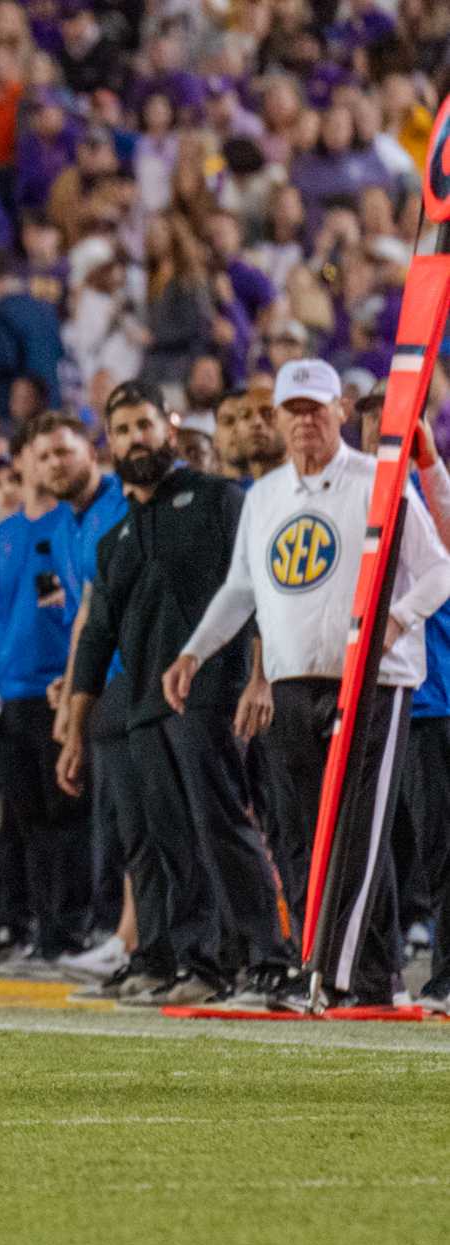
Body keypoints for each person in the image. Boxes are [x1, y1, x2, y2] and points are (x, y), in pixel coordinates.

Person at [166, 359, 450, 1008]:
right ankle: (366, 979)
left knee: (354, 831)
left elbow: (439, 572)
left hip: (373, 682)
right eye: (293, 411)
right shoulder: (265, 497)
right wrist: (193, 653)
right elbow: (242, 588)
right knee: (299, 834)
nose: (304, 423)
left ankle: (325, 974)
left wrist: (396, 621)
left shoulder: (379, 482)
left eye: (315, 409)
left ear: (341, 411)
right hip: (294, 678)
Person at [57, 382, 279, 1007]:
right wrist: (75, 731)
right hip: (144, 708)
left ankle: (266, 958)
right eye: (123, 430)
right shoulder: (114, 540)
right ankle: (198, 961)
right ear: (111, 444)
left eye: (144, 426)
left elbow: (256, 590)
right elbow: (96, 641)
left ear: (170, 429)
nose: (136, 440)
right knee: (170, 841)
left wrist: (258, 677)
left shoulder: (218, 499)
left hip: (214, 691)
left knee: (224, 829)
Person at [0, 413, 101, 968]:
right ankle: (26, 925)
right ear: (23, 461)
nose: (48, 465)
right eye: (39, 455)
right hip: (9, 694)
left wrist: (72, 685)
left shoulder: (69, 526)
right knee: (22, 819)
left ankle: (67, 929)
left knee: (65, 816)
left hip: (55, 689)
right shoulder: (5, 532)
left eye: (57, 454)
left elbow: (79, 611)